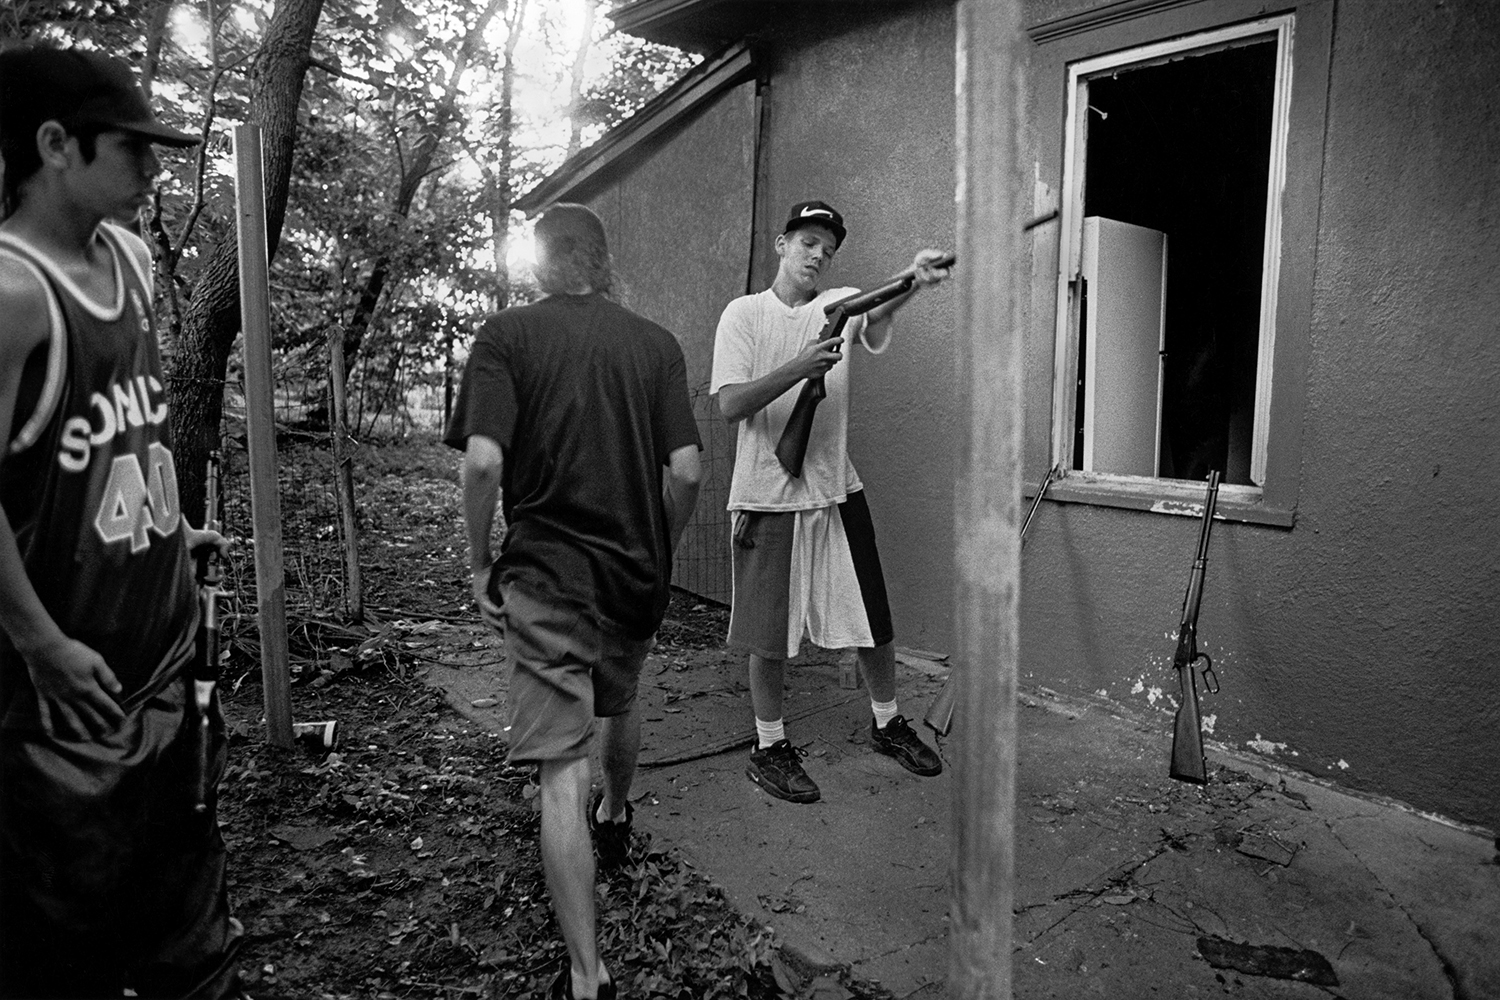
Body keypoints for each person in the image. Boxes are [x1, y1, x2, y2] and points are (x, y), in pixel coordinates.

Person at [0, 45, 251, 999]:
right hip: (70, 694)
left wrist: (167, 525)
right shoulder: (16, 293)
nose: (153, 168)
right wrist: (40, 645)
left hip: (165, 658)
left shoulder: (132, 261)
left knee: (189, 921)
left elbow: (126, 432)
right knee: (70, 941)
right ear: (55, 145)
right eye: (132, 147)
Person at [446, 203, 702, 1000]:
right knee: (619, 699)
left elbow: (484, 463)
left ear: (541, 263)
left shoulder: (506, 337)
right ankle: (618, 814)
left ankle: (588, 975)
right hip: (632, 576)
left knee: (560, 773)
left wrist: (479, 561)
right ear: (605, 261)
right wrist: (660, 545)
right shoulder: (655, 345)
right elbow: (688, 470)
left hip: (547, 579)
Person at [710, 200, 951, 804]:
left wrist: (913, 281)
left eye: (828, 247)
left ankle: (888, 721)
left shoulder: (836, 302)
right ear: (781, 244)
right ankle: (769, 746)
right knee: (769, 637)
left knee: (873, 620)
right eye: (809, 241)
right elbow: (731, 404)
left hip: (837, 488)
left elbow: (876, 306)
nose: (818, 254)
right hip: (768, 495)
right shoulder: (744, 315)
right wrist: (801, 366)